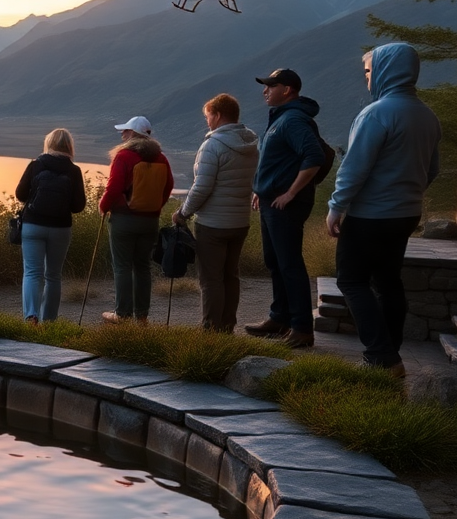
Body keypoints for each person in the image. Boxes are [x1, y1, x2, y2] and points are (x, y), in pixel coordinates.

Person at [326, 43, 440, 378]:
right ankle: (391, 354)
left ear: (386, 70)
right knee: (389, 282)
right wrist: (406, 194)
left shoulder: (377, 113)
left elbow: (354, 168)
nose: (366, 78)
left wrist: (336, 206)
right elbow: (431, 170)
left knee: (351, 280)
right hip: (406, 213)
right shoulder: (427, 115)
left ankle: (381, 357)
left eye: (368, 71)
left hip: (370, 216)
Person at [244, 68, 326, 348]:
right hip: (270, 200)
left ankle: (302, 328)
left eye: (271, 85)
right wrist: (261, 191)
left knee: (289, 264)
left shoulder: (293, 119)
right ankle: (279, 318)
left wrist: (291, 193)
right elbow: (279, 161)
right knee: (275, 261)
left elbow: (313, 156)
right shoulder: (281, 118)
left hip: (285, 206)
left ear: (288, 89)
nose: (265, 91)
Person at [173, 94, 258, 332]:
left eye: (208, 116)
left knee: (211, 279)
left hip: (213, 223)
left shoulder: (213, 145)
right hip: (240, 221)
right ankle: (227, 326)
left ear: (218, 115)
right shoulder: (250, 144)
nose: (207, 121)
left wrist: (183, 212)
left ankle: (211, 330)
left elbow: (202, 187)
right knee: (231, 276)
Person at [98, 116, 173, 322]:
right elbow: (168, 187)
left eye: (125, 131)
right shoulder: (161, 158)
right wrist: (156, 206)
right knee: (143, 266)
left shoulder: (124, 156)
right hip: (150, 221)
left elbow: (113, 188)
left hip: (124, 220)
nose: (122, 135)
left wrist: (103, 207)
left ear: (133, 134)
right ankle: (141, 317)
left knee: (122, 266)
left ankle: (121, 314)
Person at [15, 128, 88, 323]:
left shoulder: (35, 165)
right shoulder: (74, 171)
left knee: (32, 272)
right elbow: (78, 206)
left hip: (33, 226)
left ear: (48, 143)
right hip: (60, 229)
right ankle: (49, 322)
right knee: (53, 276)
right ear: (69, 147)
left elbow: (20, 195)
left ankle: (31, 317)